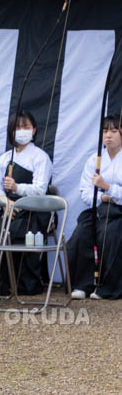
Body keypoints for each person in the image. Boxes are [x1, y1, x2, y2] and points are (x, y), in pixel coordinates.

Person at [0, 110, 53, 295]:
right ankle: (0, 284)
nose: (21, 131)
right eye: (17, 127)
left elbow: (40, 189)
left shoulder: (40, 157)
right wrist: (5, 203)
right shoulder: (4, 159)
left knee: (19, 229)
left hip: (34, 209)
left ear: (34, 130)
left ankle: (25, 283)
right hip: (8, 208)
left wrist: (17, 187)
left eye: (26, 127)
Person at [67, 114, 122, 300]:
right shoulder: (95, 159)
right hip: (100, 208)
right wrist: (103, 197)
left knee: (111, 233)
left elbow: (108, 189)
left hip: (119, 212)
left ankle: (107, 286)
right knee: (82, 233)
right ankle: (83, 284)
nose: (109, 135)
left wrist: (108, 187)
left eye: (114, 131)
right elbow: (85, 191)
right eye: (105, 131)